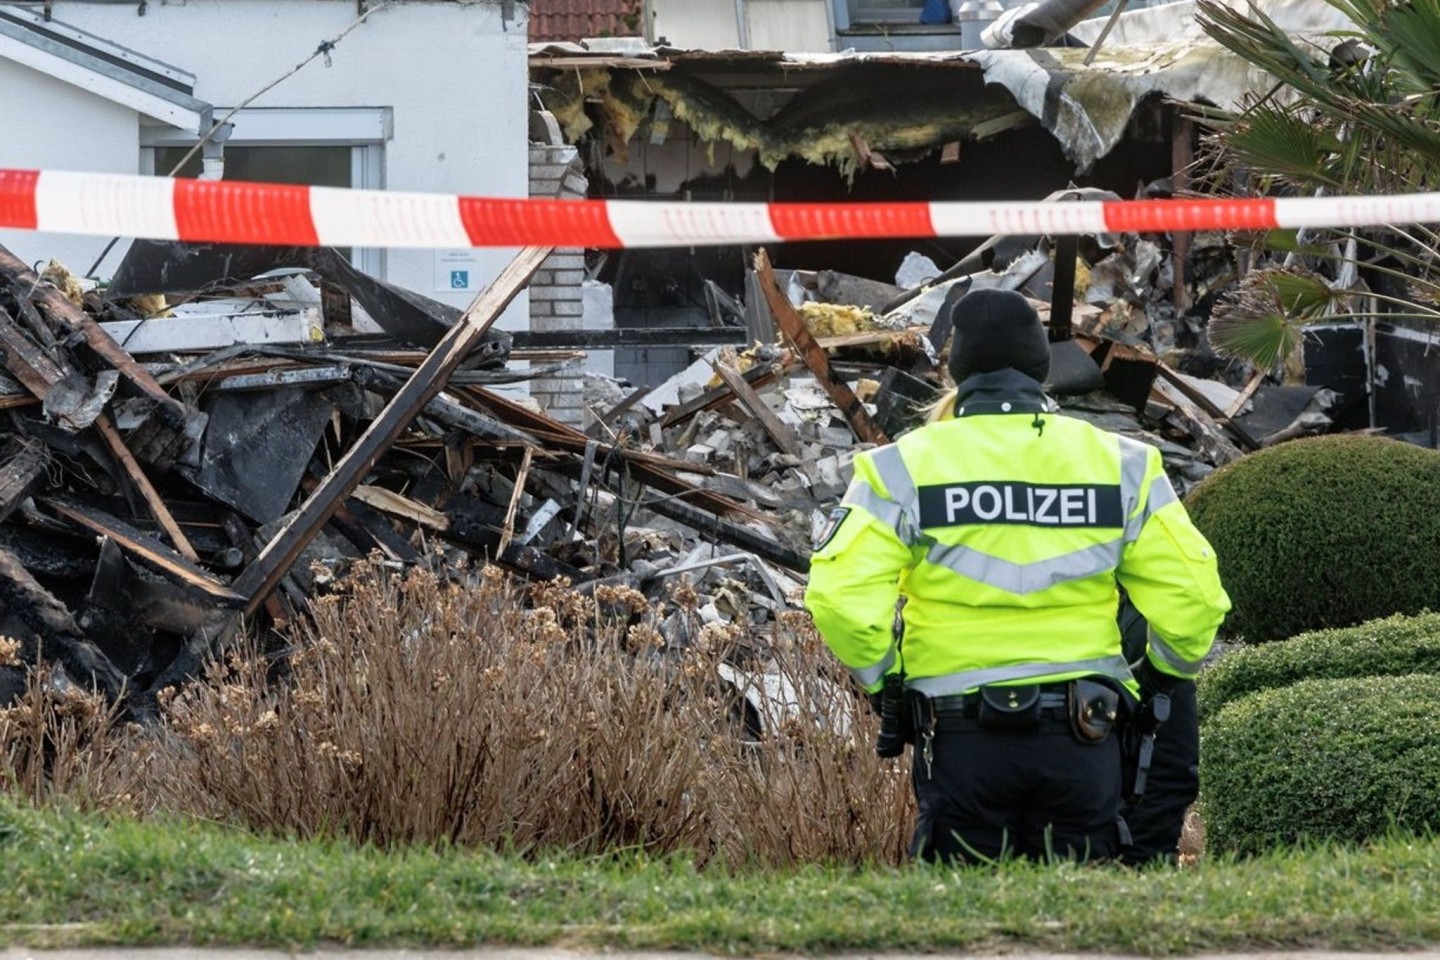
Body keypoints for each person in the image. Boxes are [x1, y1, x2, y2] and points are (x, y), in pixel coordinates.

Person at [804, 288, 1230, 864]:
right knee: (1081, 925)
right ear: (1042, 366)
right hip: (1085, 734)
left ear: (957, 370)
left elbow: (839, 595)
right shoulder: (1123, 464)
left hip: (961, 740)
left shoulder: (901, 467)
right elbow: (1196, 598)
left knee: (970, 927)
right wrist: (1155, 680)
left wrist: (888, 686)